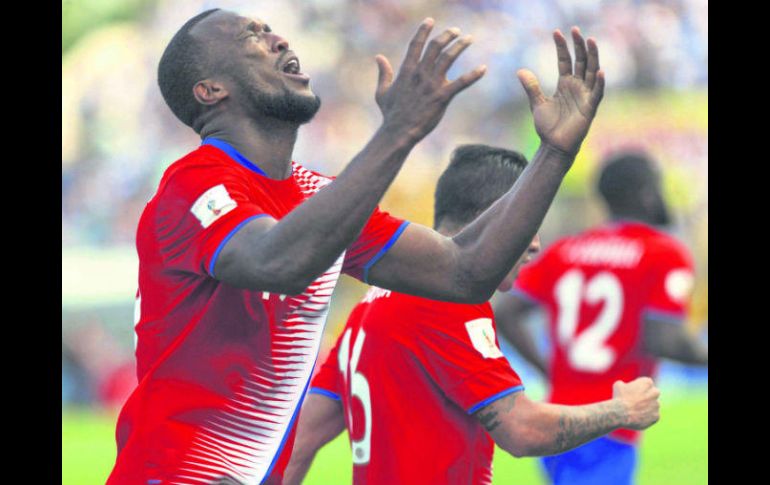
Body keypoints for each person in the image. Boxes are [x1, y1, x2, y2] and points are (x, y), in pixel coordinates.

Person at [108, 6, 606, 484]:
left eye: (272, 30)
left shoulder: (318, 198)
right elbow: (278, 261)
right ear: (211, 89)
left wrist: (555, 153)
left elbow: (465, 274)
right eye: (251, 37)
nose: (279, 39)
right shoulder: (191, 185)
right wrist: (398, 131)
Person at [284, 145, 661, 484]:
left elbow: (301, 440)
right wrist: (621, 410)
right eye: (528, 222)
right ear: (492, 219)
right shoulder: (446, 302)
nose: (535, 243)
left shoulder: (369, 305)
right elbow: (521, 430)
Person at [491, 151, 708, 485]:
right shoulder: (662, 252)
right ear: (648, 193)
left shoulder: (565, 249)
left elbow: (506, 312)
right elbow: (665, 339)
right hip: (611, 418)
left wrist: (549, 369)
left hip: (556, 418)